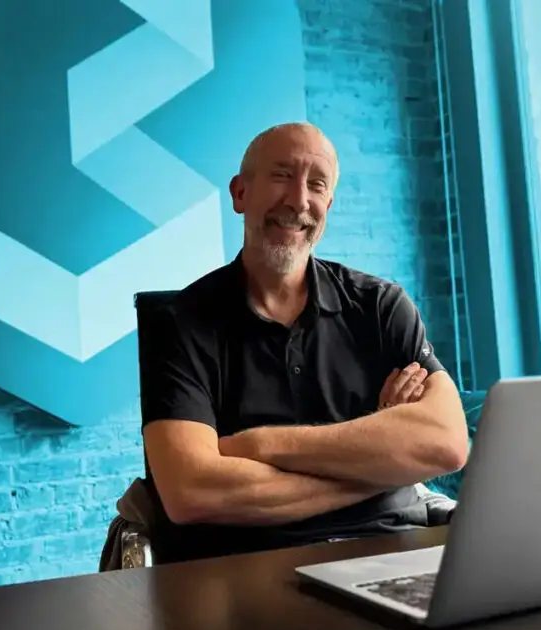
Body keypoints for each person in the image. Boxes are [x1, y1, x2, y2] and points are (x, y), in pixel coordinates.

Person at [140, 122, 469, 563]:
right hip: (251, 567)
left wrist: (260, 446)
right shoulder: (179, 325)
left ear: (328, 204)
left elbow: (448, 443)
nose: (299, 201)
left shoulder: (380, 306)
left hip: (392, 548)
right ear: (240, 194)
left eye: (317, 185)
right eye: (281, 175)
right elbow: (192, 492)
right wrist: (383, 463)